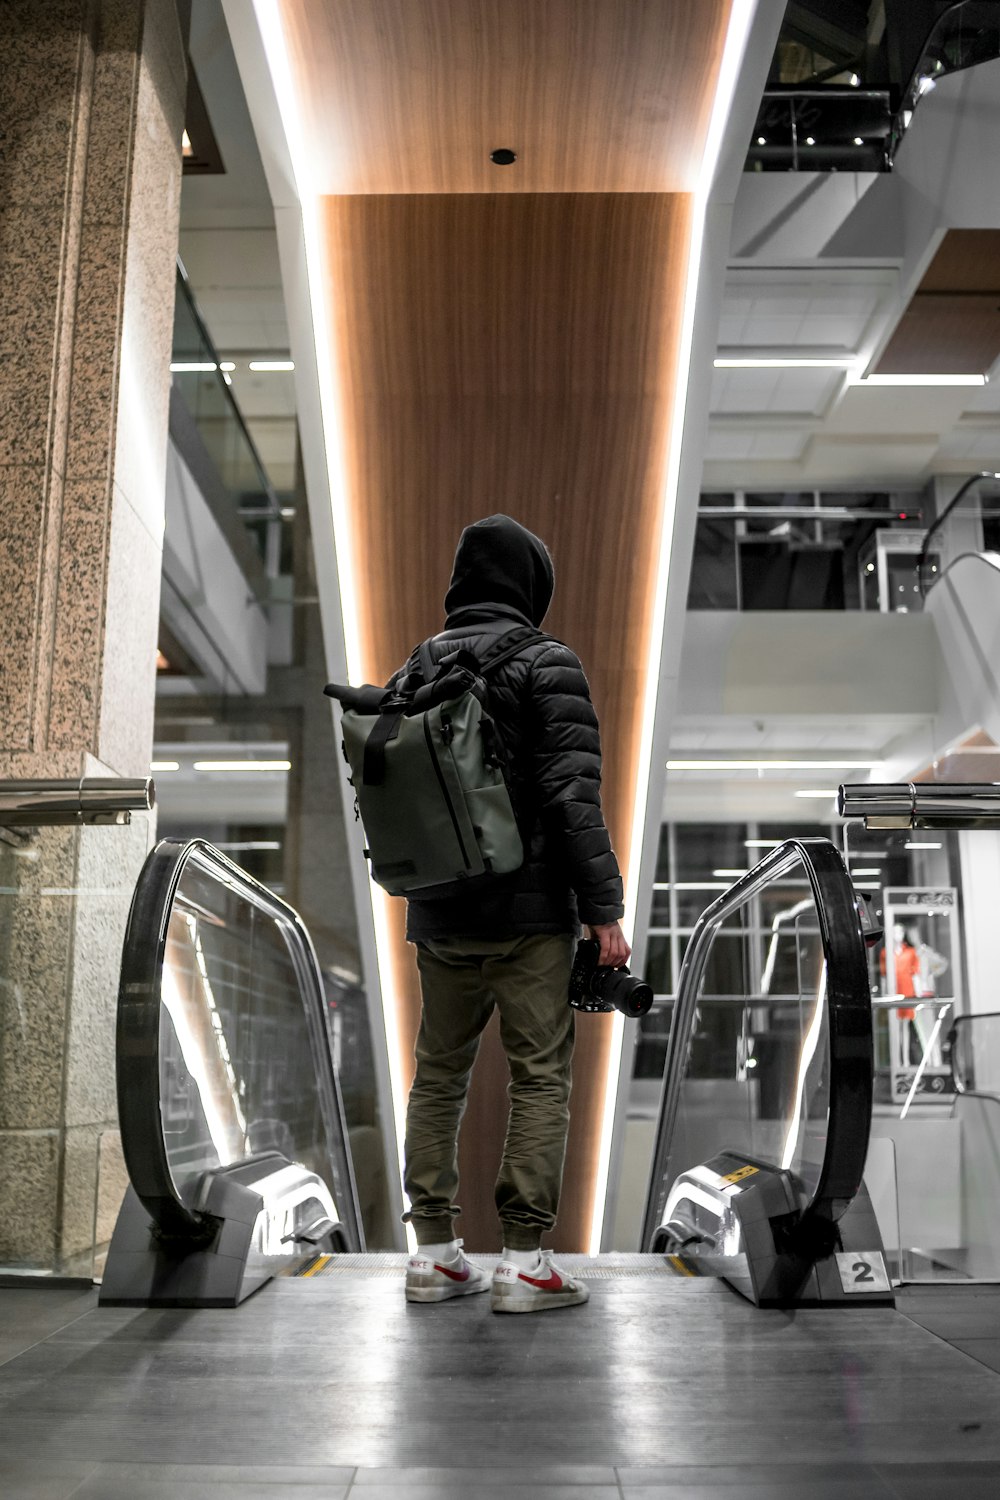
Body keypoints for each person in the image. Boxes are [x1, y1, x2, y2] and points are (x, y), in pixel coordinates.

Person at [400, 514, 628, 1313]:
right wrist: (605, 912)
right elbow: (573, 799)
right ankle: (525, 1262)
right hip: (528, 916)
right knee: (538, 1080)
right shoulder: (546, 662)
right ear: (531, 585)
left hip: (437, 914)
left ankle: (432, 1255)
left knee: (437, 1078)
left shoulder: (415, 665)